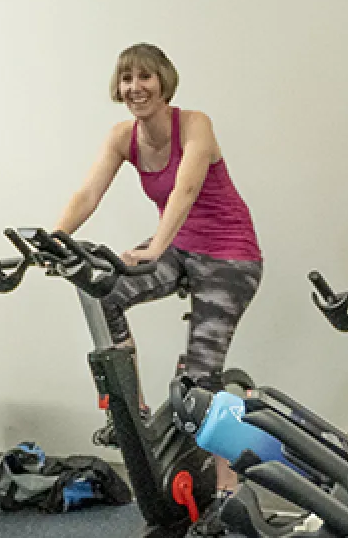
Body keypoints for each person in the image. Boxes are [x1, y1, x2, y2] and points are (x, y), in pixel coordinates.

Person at [53, 43, 262, 528]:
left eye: (145, 77)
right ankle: (134, 409)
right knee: (105, 293)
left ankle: (229, 493)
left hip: (231, 256)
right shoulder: (121, 137)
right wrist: (55, 240)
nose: (135, 88)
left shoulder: (195, 124)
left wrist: (155, 246)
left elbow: (186, 188)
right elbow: (88, 192)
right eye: (126, 79)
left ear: (164, 81)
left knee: (200, 377)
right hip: (180, 248)